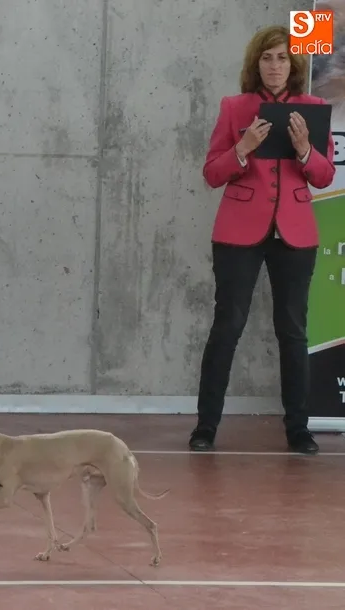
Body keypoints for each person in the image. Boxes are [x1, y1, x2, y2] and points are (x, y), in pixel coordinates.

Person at [190, 25, 336, 455]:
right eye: (267, 57)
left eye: (282, 57)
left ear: (294, 64)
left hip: (295, 232)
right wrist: (243, 147)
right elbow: (212, 173)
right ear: (256, 64)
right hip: (239, 231)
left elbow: (324, 176)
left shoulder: (313, 108)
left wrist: (305, 149)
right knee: (227, 327)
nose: (274, 66)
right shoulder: (234, 108)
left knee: (293, 332)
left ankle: (298, 430)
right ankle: (205, 427)